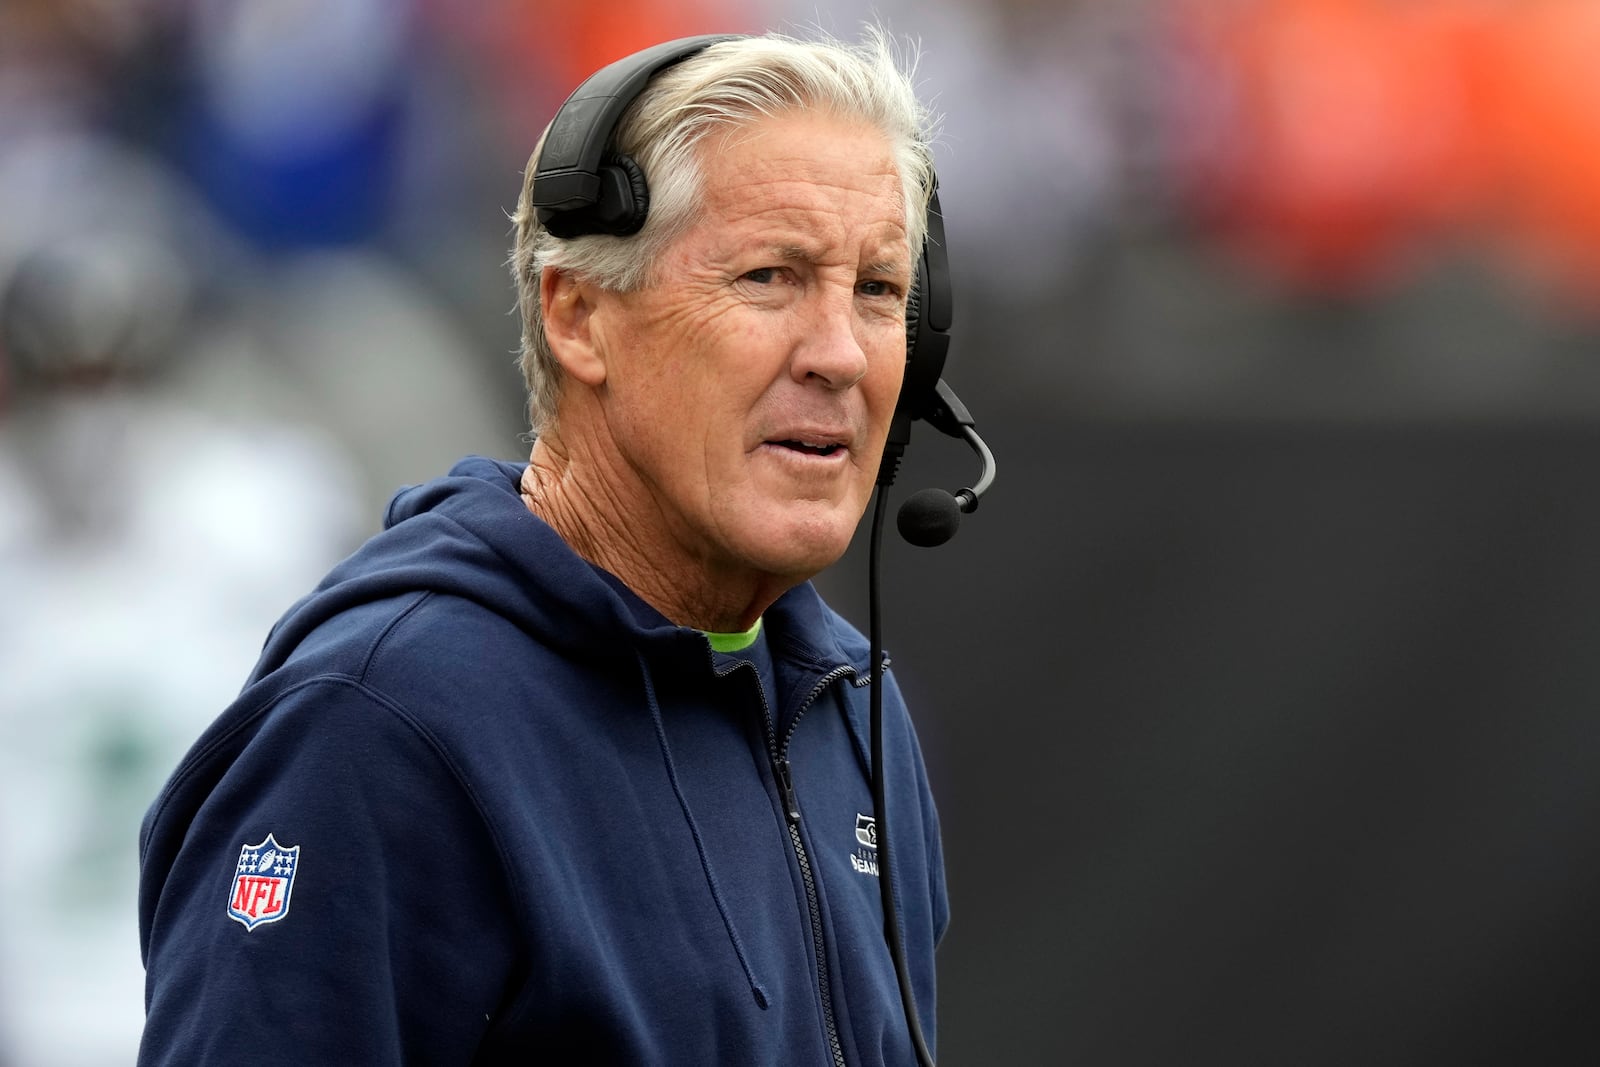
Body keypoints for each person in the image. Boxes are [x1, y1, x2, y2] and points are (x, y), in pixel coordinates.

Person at [137, 29, 949, 1066]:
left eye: (877, 290)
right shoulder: (373, 726)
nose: (839, 352)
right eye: (769, 276)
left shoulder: (855, 714)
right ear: (578, 317)